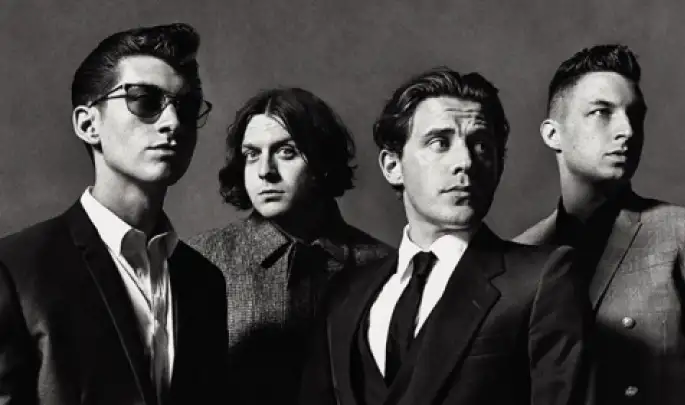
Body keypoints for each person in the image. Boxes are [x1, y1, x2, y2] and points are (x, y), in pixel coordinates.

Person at [300, 67, 586, 405]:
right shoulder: (346, 293)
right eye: (440, 143)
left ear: (498, 165)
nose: (465, 161)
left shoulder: (541, 280)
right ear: (393, 166)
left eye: (481, 145)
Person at [0, 23, 227, 405]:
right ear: (88, 124)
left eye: (186, 107)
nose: (172, 123)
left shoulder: (204, 282)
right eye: (145, 100)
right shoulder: (15, 269)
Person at [514, 44, 685, 405]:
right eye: (602, 112)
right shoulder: (520, 256)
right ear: (552, 135)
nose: (626, 130)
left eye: (635, 116)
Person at [188, 87, 392, 404]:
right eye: (251, 154)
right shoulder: (199, 261)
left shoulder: (384, 266)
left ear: (323, 162)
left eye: (286, 152)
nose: (265, 171)